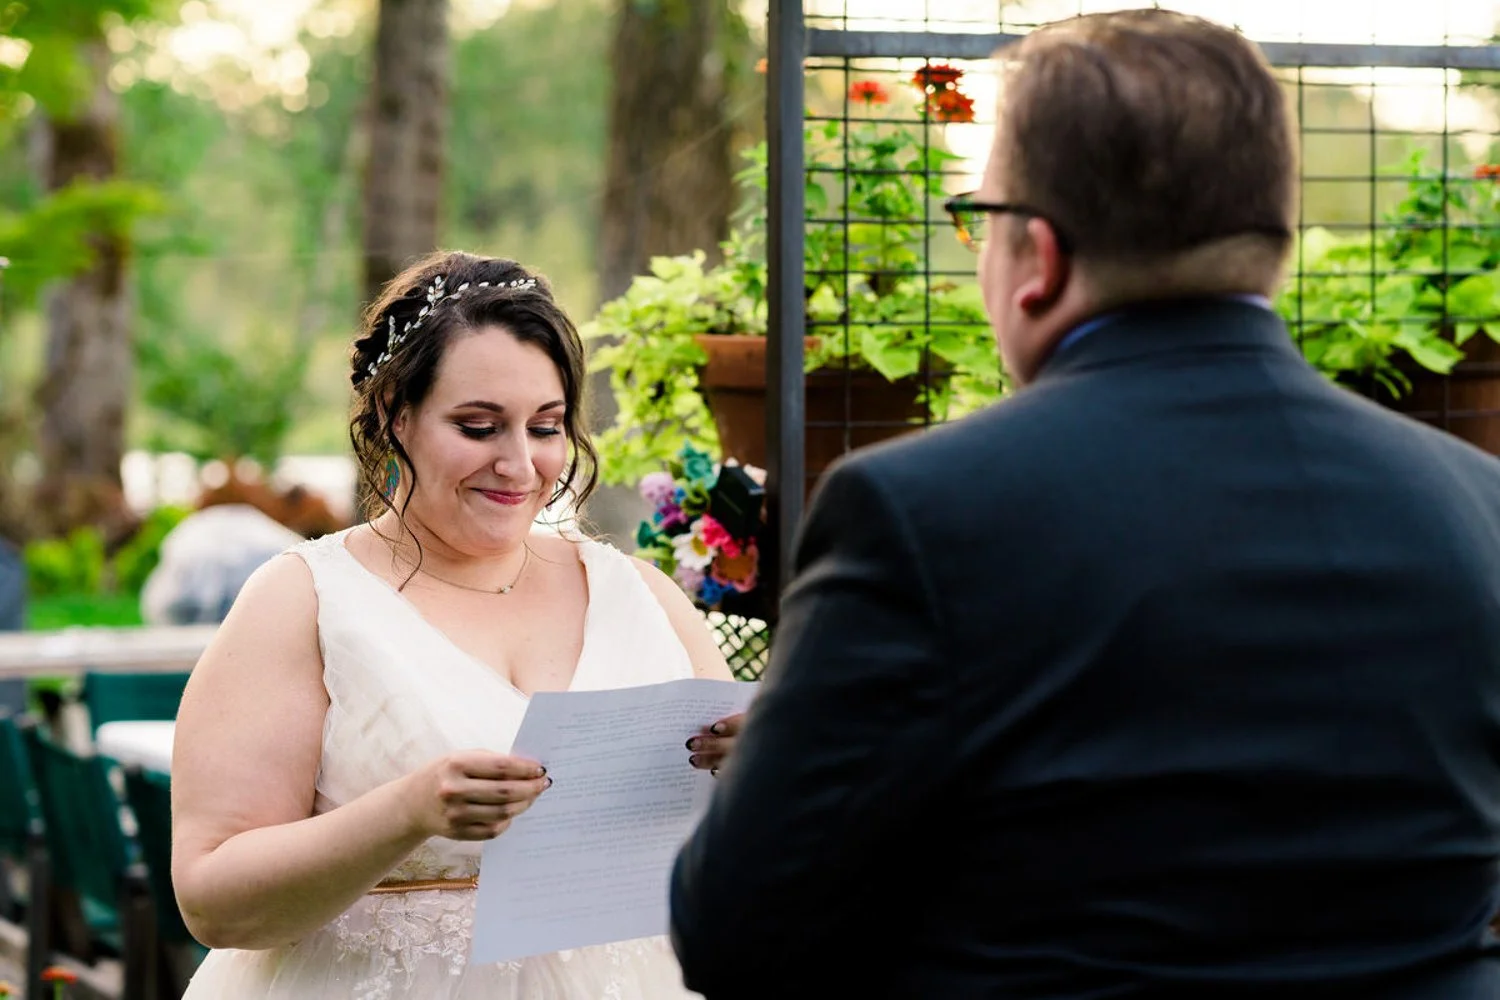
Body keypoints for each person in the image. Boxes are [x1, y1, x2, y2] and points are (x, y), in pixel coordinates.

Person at [670, 9, 1500, 999]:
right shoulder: (1476, 504)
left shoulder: (922, 512)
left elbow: (737, 929)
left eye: (979, 220)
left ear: (1040, 258)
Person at [171, 251, 741, 998]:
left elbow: (748, 861)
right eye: (478, 427)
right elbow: (213, 900)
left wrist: (755, 773)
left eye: (545, 427)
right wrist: (406, 813)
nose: (519, 465)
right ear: (393, 416)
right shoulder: (304, 599)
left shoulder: (641, 595)